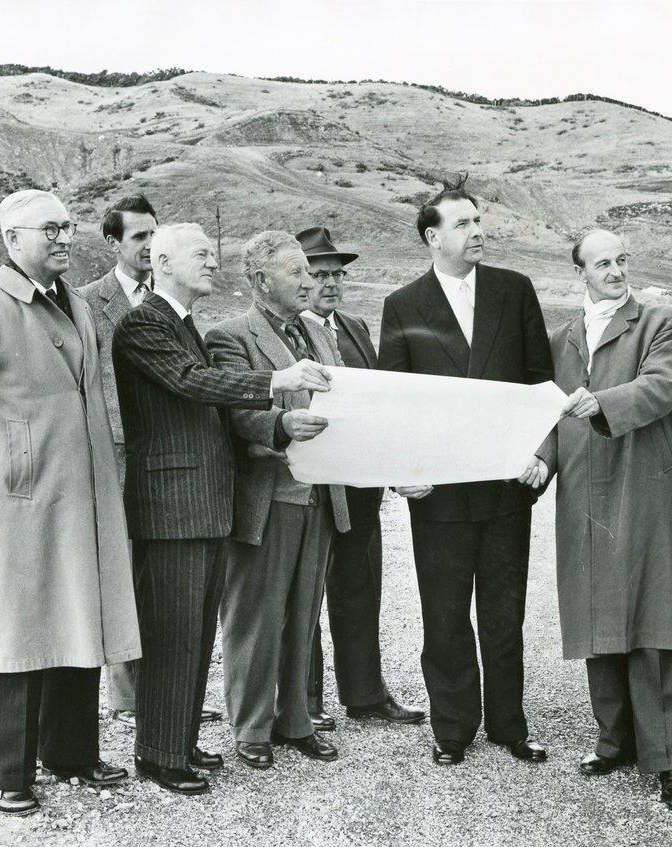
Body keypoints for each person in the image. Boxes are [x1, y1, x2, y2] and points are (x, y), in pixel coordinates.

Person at [0, 189, 140, 816]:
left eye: (68, 227)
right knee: (11, 634)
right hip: (17, 505)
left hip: (81, 502)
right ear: (11, 239)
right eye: (49, 229)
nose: (64, 237)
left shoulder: (75, 304)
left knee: (77, 619)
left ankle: (71, 755)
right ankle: (7, 772)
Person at [112, 223, 329, 794]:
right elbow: (191, 381)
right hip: (172, 506)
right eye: (201, 254)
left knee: (194, 632)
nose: (213, 262)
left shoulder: (180, 324)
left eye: (213, 253)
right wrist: (276, 380)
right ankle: (160, 757)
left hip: (201, 504)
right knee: (173, 633)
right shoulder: (142, 324)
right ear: (161, 261)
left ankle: (178, 743)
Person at [530, 228, 672, 809]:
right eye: (602, 263)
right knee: (599, 619)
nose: (615, 271)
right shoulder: (562, 337)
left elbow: (663, 388)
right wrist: (542, 456)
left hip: (646, 491)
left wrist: (602, 402)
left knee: (657, 623)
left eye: (621, 260)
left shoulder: (663, 321)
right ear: (580, 272)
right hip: (585, 491)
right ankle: (616, 743)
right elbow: (552, 411)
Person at [378, 182, 553, 766]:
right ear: (433, 236)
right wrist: (402, 469)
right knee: (446, 616)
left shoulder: (514, 290)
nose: (477, 231)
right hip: (440, 497)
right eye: (463, 223)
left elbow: (540, 384)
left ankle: (509, 725)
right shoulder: (403, 305)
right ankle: (451, 729)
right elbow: (395, 403)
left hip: (508, 489)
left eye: (479, 221)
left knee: (505, 614)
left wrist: (542, 454)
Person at [206, 230, 348, 769]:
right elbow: (235, 410)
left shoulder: (319, 335)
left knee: (303, 615)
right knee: (255, 618)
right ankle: (251, 728)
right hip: (269, 500)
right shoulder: (229, 336)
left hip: (319, 498)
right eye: (297, 272)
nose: (309, 281)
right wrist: (282, 424)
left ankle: (296, 721)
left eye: (309, 272)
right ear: (263, 280)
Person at [297, 226, 425, 731]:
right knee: (303, 595)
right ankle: (305, 701)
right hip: (311, 487)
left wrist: (393, 470)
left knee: (360, 589)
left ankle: (366, 696)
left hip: (359, 490)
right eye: (318, 273)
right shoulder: (284, 331)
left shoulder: (351, 326)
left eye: (337, 273)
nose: (330, 283)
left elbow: (375, 408)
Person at [80, 194, 157, 730]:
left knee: (160, 578)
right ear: (113, 242)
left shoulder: (169, 298)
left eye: (156, 235)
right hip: (117, 458)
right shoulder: (88, 302)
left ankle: (163, 690)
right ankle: (128, 698)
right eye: (139, 238)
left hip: (166, 458)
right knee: (122, 574)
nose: (151, 247)